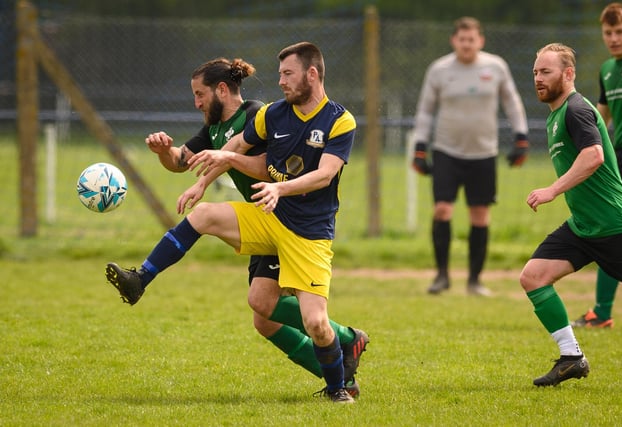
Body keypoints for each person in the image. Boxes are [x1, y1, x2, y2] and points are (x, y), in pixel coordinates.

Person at [105, 42, 361, 403]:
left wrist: (280, 188)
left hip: (308, 230)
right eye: (280, 75)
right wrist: (201, 182)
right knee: (206, 216)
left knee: (315, 323)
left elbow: (324, 175)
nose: (281, 82)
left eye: (288, 74)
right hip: (269, 215)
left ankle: (340, 386)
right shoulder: (272, 114)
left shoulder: (340, 119)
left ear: (312, 74)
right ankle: (140, 279)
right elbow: (235, 147)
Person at [524, 42, 622, 387]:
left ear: (568, 73)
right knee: (533, 277)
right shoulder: (556, 115)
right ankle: (572, 357)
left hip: (614, 223)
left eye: (546, 72)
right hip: (584, 227)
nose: (538, 79)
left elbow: (594, 156)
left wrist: (552, 190)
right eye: (535, 73)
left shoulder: (575, 109)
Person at [411, 16, 529, 296]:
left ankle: (475, 281)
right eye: (462, 39)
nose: (467, 44)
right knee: (442, 209)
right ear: (454, 41)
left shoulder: (496, 66)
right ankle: (441, 276)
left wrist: (521, 137)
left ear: (481, 40)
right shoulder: (439, 69)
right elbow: (426, 110)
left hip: (483, 153)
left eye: (472, 39)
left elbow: (512, 102)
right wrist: (419, 146)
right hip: (446, 151)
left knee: (480, 214)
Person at [572, 2, 622, 329]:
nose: (613, 38)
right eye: (608, 33)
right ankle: (601, 311)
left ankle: (601, 311)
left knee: (614, 231)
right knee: (613, 229)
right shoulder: (607, 70)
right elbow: (603, 113)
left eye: (620, 31)